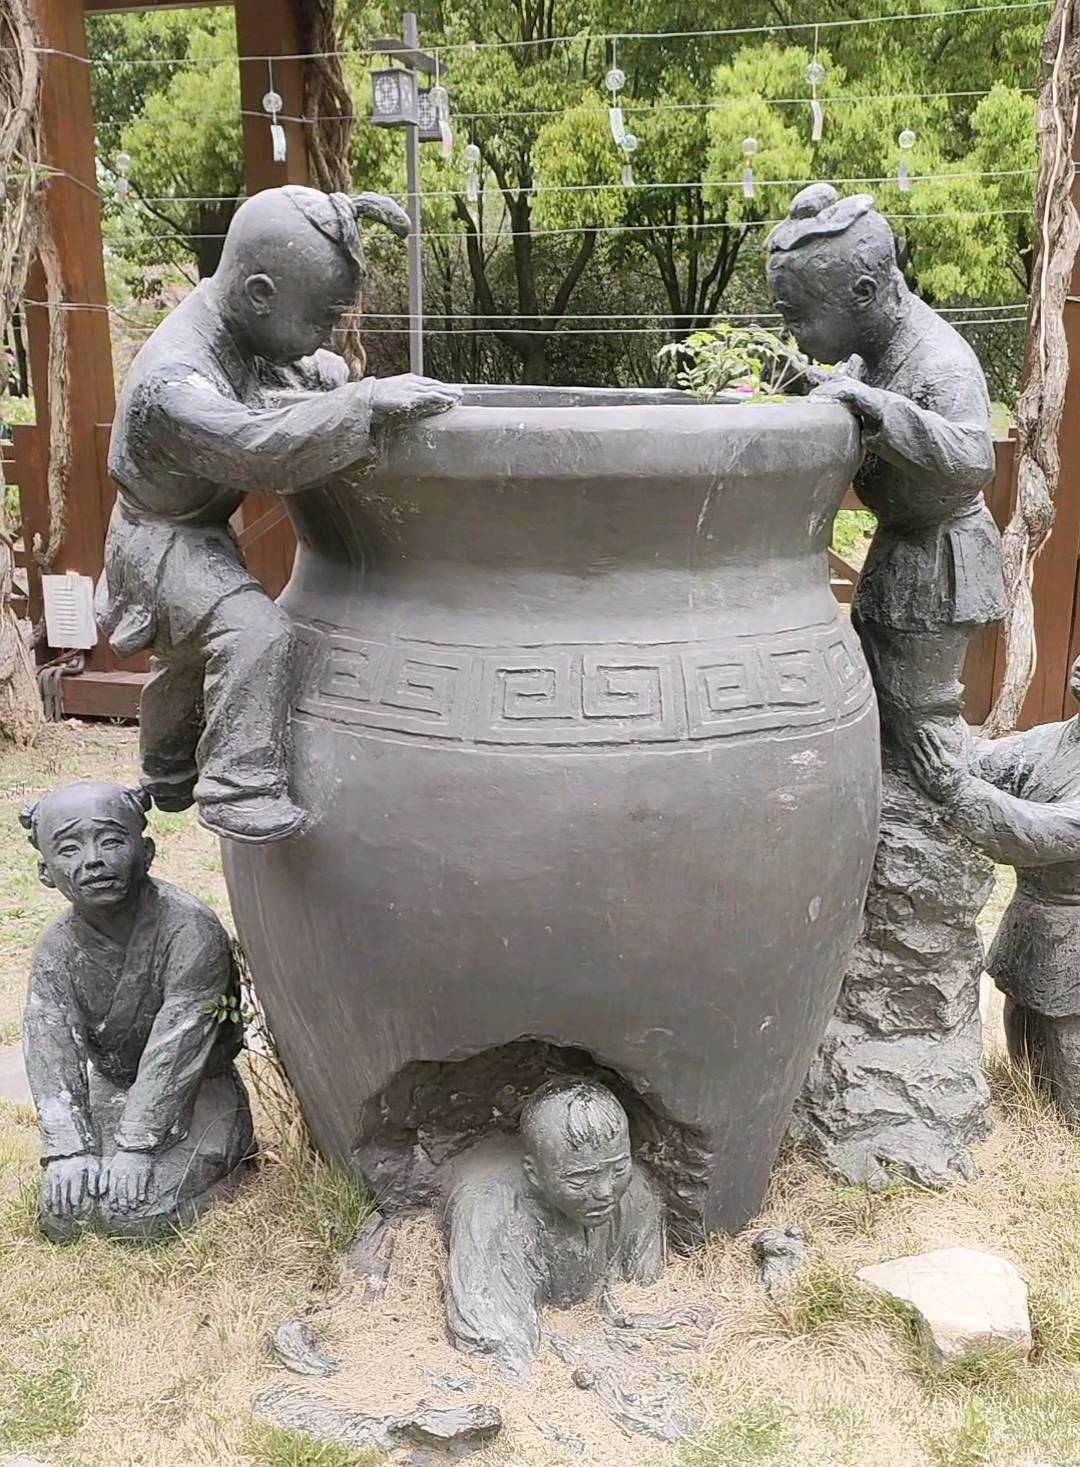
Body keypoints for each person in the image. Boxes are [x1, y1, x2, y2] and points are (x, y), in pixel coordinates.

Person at [96, 186, 460, 844]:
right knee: (251, 631)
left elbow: (294, 376)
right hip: (156, 541)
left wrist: (330, 378)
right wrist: (362, 404)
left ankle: (167, 766)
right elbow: (254, 446)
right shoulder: (173, 382)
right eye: (321, 318)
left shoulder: (240, 331)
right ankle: (238, 786)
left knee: (187, 652)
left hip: (197, 528)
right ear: (260, 294)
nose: (328, 335)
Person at [766, 183, 1004, 751]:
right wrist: (807, 380)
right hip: (897, 554)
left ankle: (955, 799)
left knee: (921, 722)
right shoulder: (868, 353)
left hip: (940, 563)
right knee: (878, 710)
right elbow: (850, 394)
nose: (794, 331)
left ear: (864, 293)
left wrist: (882, 410)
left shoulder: (941, 362)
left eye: (801, 317)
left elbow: (974, 456)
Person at [21, 782, 254, 1240]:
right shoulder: (56, 948)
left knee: (134, 1216)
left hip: (198, 1092)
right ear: (45, 871)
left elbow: (178, 1044)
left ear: (145, 852)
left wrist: (136, 1147)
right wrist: (69, 1151)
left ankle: (235, 1158)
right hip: (111, 1090)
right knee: (65, 1215)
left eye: (110, 841)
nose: (93, 860)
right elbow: (50, 1047)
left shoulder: (190, 930)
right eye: (69, 849)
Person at [911, 662, 1080, 1123]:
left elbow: (1042, 831)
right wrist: (929, 717)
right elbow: (981, 759)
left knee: (1067, 1031)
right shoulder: (1052, 741)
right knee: (1023, 1012)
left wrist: (958, 790)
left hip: (1073, 919)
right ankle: (1031, 1102)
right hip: (1033, 911)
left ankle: (1066, 1121)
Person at [443, 1078, 663, 1377]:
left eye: (618, 1169)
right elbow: (489, 1336)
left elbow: (646, 1290)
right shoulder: (492, 1210)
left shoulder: (635, 1195)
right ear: (534, 1174)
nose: (605, 1191)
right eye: (580, 1179)